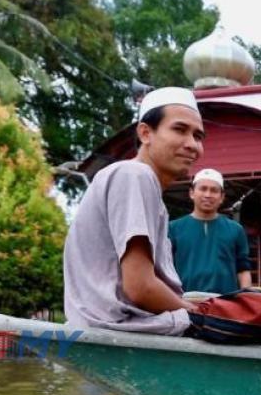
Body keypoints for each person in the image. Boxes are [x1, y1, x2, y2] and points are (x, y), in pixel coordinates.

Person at [62, 87, 206, 334]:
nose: (192, 145)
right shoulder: (134, 175)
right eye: (180, 130)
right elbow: (140, 288)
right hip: (121, 326)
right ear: (145, 133)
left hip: (113, 322)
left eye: (198, 136)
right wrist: (196, 313)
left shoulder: (138, 181)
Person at [168, 168, 252, 294]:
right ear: (192, 193)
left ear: (222, 197)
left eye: (214, 190)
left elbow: (243, 269)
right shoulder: (173, 228)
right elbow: (165, 269)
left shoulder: (235, 230)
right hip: (184, 303)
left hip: (226, 303)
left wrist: (247, 298)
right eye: (203, 189)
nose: (208, 195)